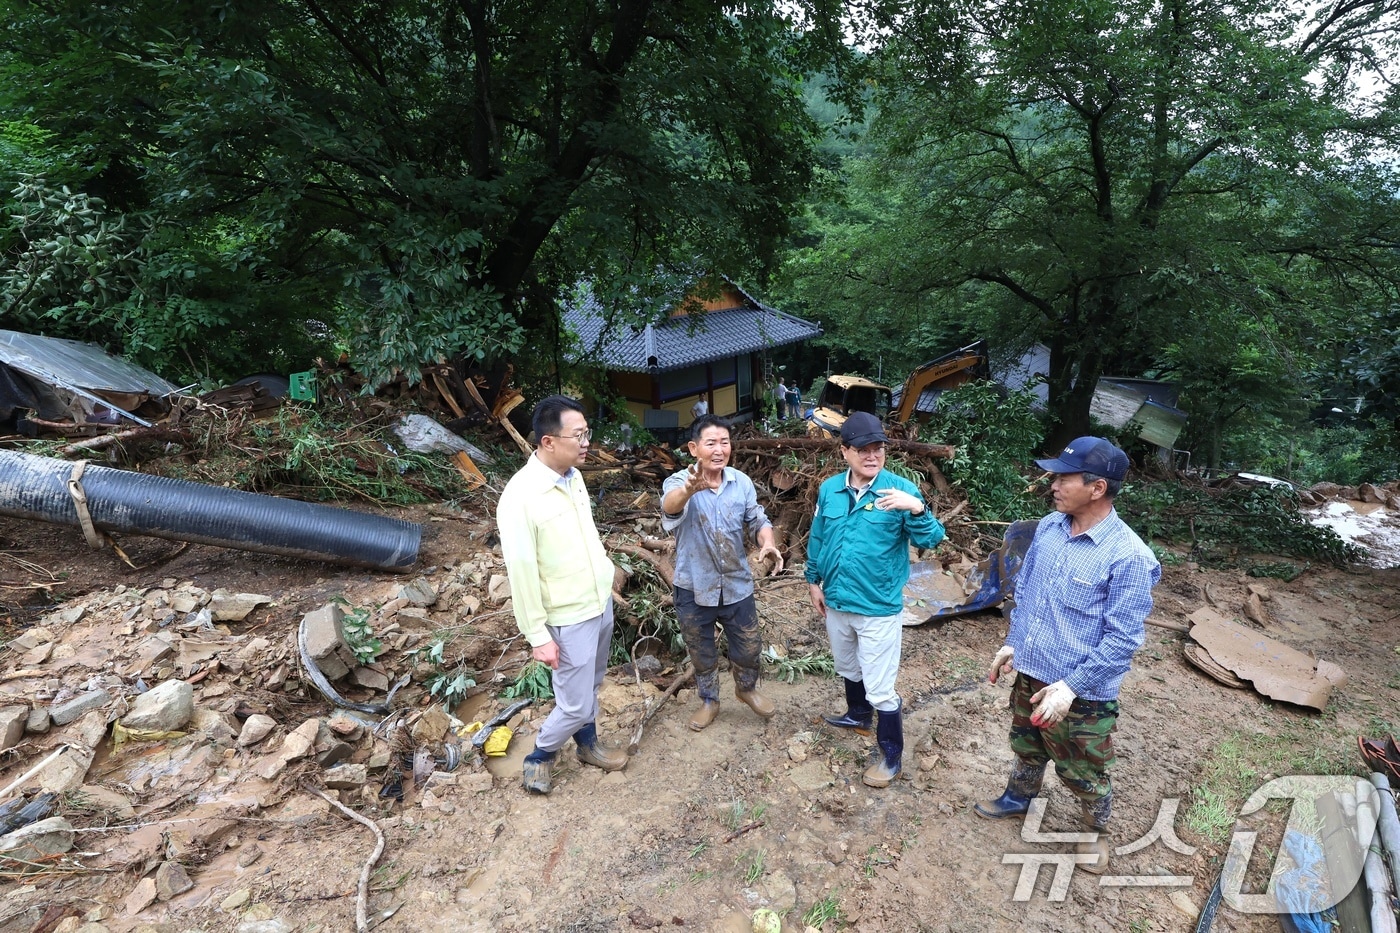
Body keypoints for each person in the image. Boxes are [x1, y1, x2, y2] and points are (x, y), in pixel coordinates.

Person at [975, 436, 1161, 874]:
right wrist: (1013, 641)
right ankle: (1019, 797)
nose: (1053, 484)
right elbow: (1027, 593)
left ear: (1097, 488)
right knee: (1026, 743)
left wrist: (1072, 687)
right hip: (1031, 672)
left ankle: (1095, 834)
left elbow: (1123, 641)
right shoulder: (1049, 528)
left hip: (1082, 693)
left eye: (1064, 477)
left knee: (1083, 769)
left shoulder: (1130, 557)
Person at [806, 412, 945, 787]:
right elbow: (818, 537)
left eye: (878, 448)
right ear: (845, 452)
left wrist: (916, 509)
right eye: (863, 449)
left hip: (877, 606)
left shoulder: (900, 491)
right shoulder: (829, 490)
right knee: (848, 666)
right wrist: (813, 581)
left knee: (881, 686)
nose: (873, 455)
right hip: (836, 600)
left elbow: (931, 540)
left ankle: (890, 756)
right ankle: (856, 715)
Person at [496, 395, 627, 794]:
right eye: (579, 435)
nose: (587, 441)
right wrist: (537, 635)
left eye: (588, 433)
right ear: (548, 441)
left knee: (592, 683)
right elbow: (522, 572)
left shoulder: (574, 477)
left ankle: (588, 745)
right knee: (572, 703)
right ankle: (540, 754)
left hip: (597, 602)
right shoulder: (520, 498)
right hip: (566, 617)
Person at [661, 414, 785, 731]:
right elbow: (670, 506)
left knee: (749, 646)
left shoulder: (739, 482)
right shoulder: (679, 482)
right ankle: (709, 701)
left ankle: (746, 689)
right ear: (693, 448)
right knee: (701, 650)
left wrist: (768, 542)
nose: (719, 449)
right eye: (711, 443)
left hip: (736, 583)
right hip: (693, 586)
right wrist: (690, 490)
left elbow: (758, 519)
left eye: (725, 442)